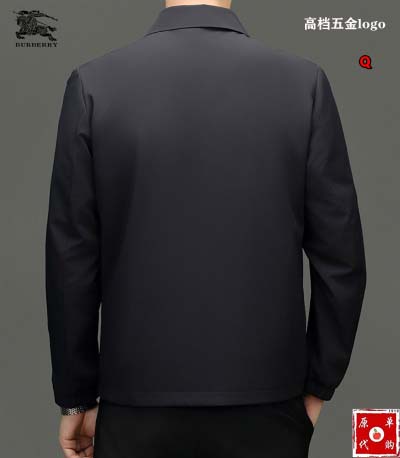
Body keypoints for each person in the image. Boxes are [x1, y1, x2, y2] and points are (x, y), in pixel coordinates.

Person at [45, 0, 367, 457]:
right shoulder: (303, 84)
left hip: (135, 406)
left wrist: (76, 397)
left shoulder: (94, 84)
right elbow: (342, 261)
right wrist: (317, 386)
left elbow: (70, 263)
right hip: (269, 405)